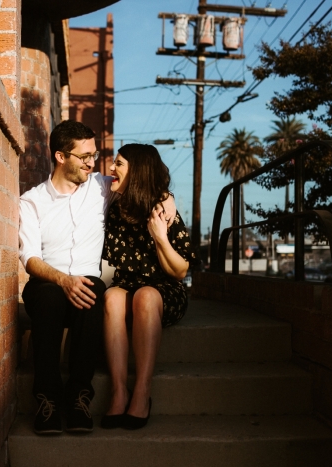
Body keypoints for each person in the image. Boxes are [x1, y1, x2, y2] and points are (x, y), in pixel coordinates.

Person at [18, 122, 176, 435]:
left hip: (89, 281)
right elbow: (31, 260)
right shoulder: (32, 201)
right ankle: (47, 399)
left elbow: (141, 180)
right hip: (49, 280)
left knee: (94, 293)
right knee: (48, 297)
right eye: (85, 156)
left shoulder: (102, 187)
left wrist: (166, 195)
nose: (93, 163)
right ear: (61, 157)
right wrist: (64, 280)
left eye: (95, 155)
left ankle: (79, 397)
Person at [100, 143, 198, 430]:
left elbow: (179, 272)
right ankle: (119, 391)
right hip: (128, 285)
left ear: (137, 171)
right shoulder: (118, 208)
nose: (111, 168)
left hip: (164, 290)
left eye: (118, 164)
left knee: (144, 296)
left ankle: (142, 391)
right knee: (112, 299)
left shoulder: (163, 211)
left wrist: (160, 237)